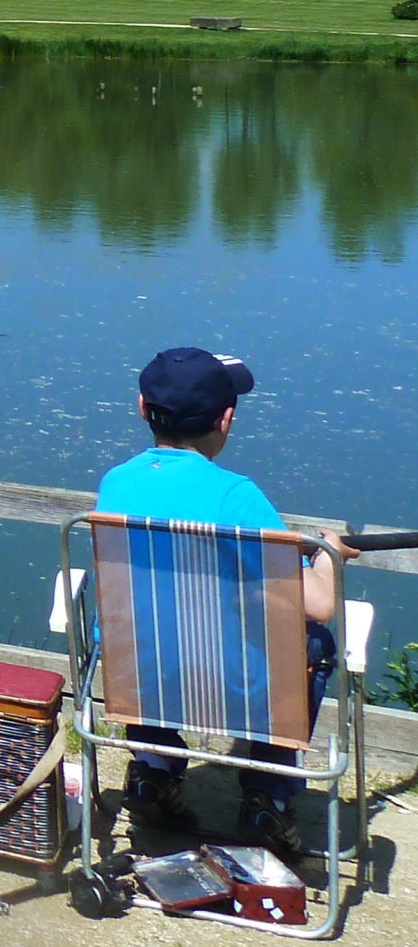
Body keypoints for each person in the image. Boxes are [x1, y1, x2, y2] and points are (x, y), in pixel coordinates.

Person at [96, 347, 349, 854]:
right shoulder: (237, 497)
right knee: (315, 640)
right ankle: (268, 797)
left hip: (141, 677)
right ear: (226, 419)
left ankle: (154, 768)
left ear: (142, 407)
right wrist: (328, 555)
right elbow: (318, 603)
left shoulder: (116, 482)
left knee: (154, 626)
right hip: (229, 685)